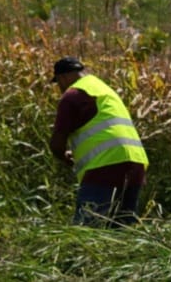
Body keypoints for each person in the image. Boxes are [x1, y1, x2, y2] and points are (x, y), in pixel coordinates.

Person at [49, 58, 149, 226]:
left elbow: (57, 144)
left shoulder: (73, 95)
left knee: (88, 232)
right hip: (137, 164)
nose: (59, 88)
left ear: (63, 78)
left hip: (105, 165)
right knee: (122, 232)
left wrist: (64, 157)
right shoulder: (104, 90)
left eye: (58, 82)